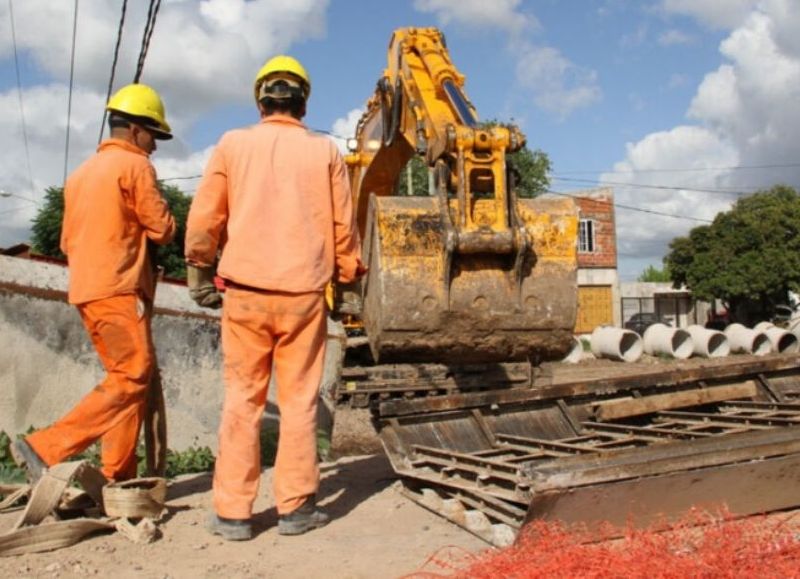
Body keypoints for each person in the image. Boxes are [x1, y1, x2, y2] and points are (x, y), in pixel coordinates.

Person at [184, 55, 364, 541]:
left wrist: (199, 270)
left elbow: (205, 220)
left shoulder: (232, 145)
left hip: (244, 294)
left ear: (260, 100)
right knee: (300, 401)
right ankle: (296, 509)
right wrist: (346, 281)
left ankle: (233, 514)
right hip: (304, 295)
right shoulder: (324, 152)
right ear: (303, 102)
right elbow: (344, 229)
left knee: (242, 401)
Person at [12, 84, 176, 484]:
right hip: (119, 288)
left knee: (127, 383)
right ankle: (46, 446)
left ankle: (116, 478)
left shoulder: (80, 175)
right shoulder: (135, 167)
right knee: (133, 376)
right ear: (137, 129)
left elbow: (67, 241)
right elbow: (163, 229)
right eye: (154, 134)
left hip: (88, 289)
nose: (155, 145)